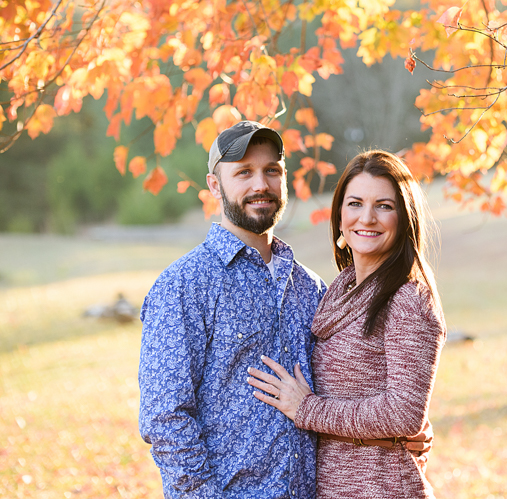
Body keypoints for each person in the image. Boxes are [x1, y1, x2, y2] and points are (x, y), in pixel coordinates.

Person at [138, 123, 429, 499]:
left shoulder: (312, 288)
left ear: (284, 180)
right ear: (214, 186)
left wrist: (401, 434)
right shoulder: (184, 285)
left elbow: (354, 380)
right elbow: (165, 419)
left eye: (271, 170)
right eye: (244, 172)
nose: (260, 184)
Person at [247, 150, 446, 499]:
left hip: (380, 489)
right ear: (340, 215)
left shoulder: (407, 298)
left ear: (404, 217)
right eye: (355, 203)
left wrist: (306, 408)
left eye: (384, 206)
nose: (367, 218)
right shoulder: (343, 289)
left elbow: (404, 413)